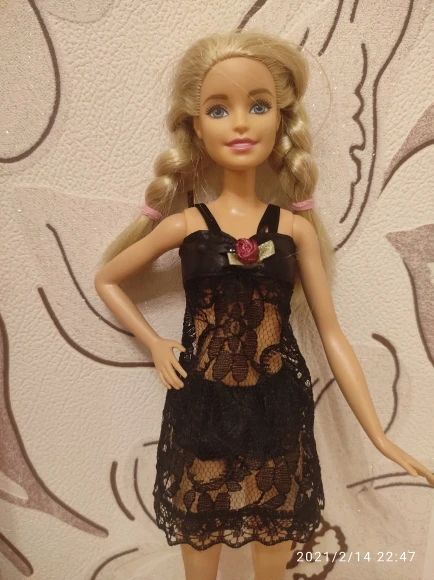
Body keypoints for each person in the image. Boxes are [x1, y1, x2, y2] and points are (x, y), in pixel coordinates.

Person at [94, 31, 434, 580]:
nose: (240, 124)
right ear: (196, 127)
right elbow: (108, 279)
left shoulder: (295, 231)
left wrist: (378, 434)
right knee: (199, 552)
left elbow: (331, 332)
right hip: (202, 404)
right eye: (218, 109)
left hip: (278, 407)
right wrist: (153, 342)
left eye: (258, 106)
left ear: (281, 119)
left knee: (271, 559)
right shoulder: (187, 225)